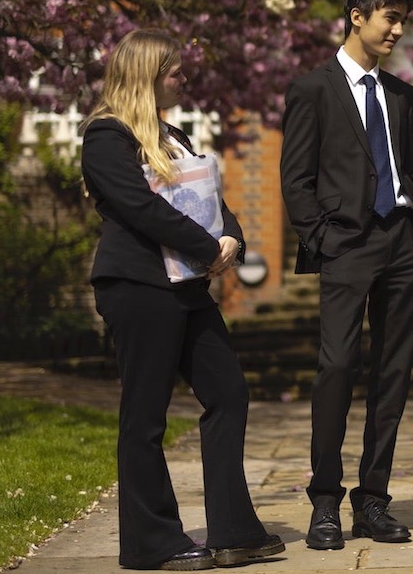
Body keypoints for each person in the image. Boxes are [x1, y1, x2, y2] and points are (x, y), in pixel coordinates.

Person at [81, 29, 285, 572]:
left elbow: (209, 198)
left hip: (188, 286)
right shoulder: (106, 136)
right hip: (140, 287)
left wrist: (232, 240)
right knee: (145, 415)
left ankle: (233, 531)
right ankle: (152, 543)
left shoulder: (171, 134)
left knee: (228, 393)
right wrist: (206, 248)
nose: (183, 79)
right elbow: (139, 208)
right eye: (175, 71)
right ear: (147, 75)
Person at [280, 0, 413, 550]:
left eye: (402, 20)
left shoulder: (401, 94)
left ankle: (373, 501)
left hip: (404, 242)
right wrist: (324, 239)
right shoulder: (312, 89)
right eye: (389, 18)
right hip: (346, 244)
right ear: (356, 15)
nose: (397, 29)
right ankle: (324, 501)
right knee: (338, 367)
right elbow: (295, 179)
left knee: (393, 372)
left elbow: (412, 166)